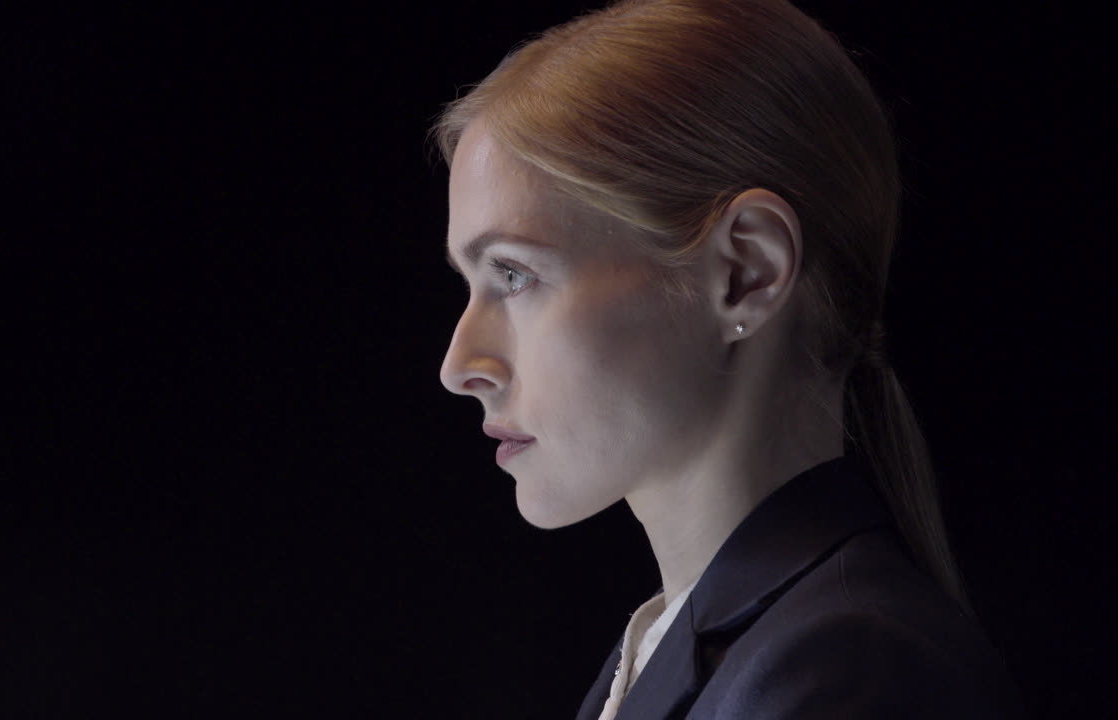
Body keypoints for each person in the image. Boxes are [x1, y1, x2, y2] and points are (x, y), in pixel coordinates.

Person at [433, 1, 1025, 718]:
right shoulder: (694, 649)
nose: (461, 365)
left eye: (515, 275)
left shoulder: (841, 669)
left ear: (746, 269)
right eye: (474, 285)